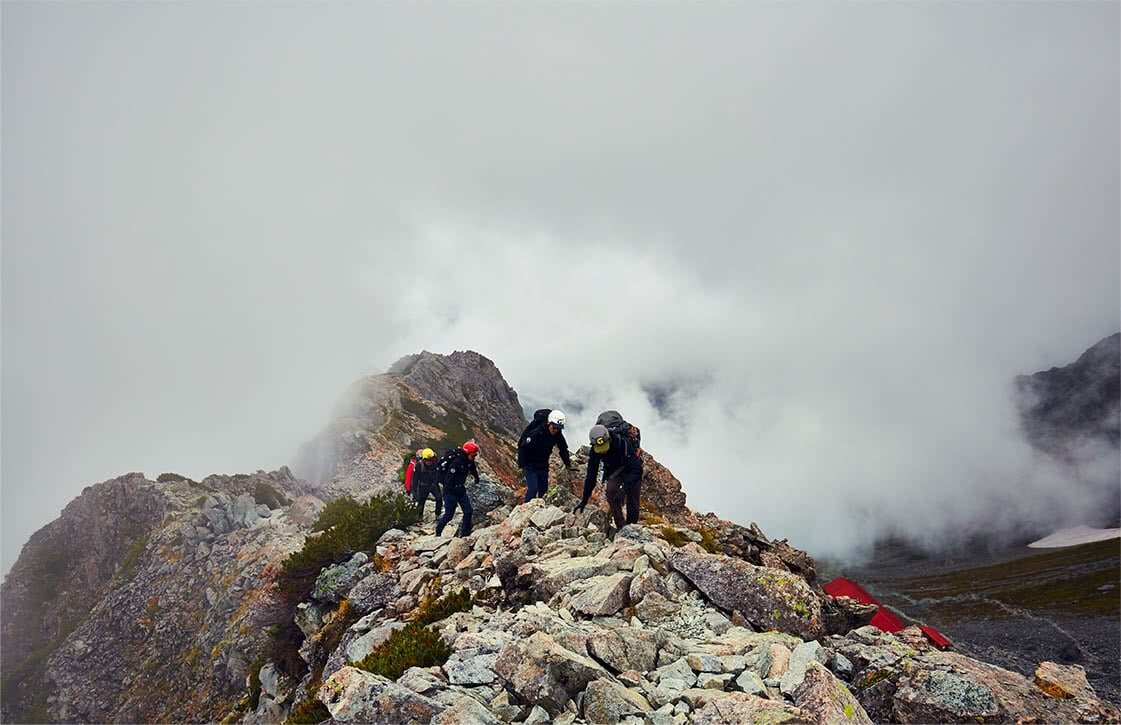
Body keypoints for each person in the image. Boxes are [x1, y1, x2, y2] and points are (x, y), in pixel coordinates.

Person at [577, 423, 643, 530]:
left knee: (633, 500)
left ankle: (632, 527)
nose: (603, 450)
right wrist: (584, 500)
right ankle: (621, 528)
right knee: (611, 493)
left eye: (604, 447)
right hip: (615, 471)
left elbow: (637, 470)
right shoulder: (595, 451)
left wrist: (624, 490)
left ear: (609, 439)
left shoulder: (623, 443)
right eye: (600, 448)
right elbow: (591, 476)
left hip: (631, 469)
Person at [517, 409, 573, 502]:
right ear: (548, 423)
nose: (555, 430)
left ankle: (541, 510)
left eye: (558, 428)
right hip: (530, 466)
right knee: (533, 489)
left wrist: (567, 464)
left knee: (543, 490)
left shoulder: (557, 434)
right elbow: (523, 447)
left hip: (543, 465)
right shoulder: (536, 433)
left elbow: (563, 449)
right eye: (554, 427)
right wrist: (521, 465)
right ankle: (526, 509)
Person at [435, 441, 480, 537]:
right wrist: (450, 494)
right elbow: (448, 479)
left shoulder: (469, 461)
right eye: (473, 455)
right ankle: (438, 531)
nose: (474, 457)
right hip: (450, 492)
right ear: (467, 453)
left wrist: (476, 478)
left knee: (468, 511)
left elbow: (473, 469)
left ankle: (465, 534)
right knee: (449, 515)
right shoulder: (457, 462)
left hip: (460, 490)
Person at [411, 448, 442, 518]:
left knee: (439, 498)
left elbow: (440, 473)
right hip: (423, 486)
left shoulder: (436, 463)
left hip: (433, 485)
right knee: (421, 502)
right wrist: (414, 490)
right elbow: (415, 478)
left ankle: (438, 514)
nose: (429, 462)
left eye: (431, 460)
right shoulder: (419, 465)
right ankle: (419, 517)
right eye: (427, 460)